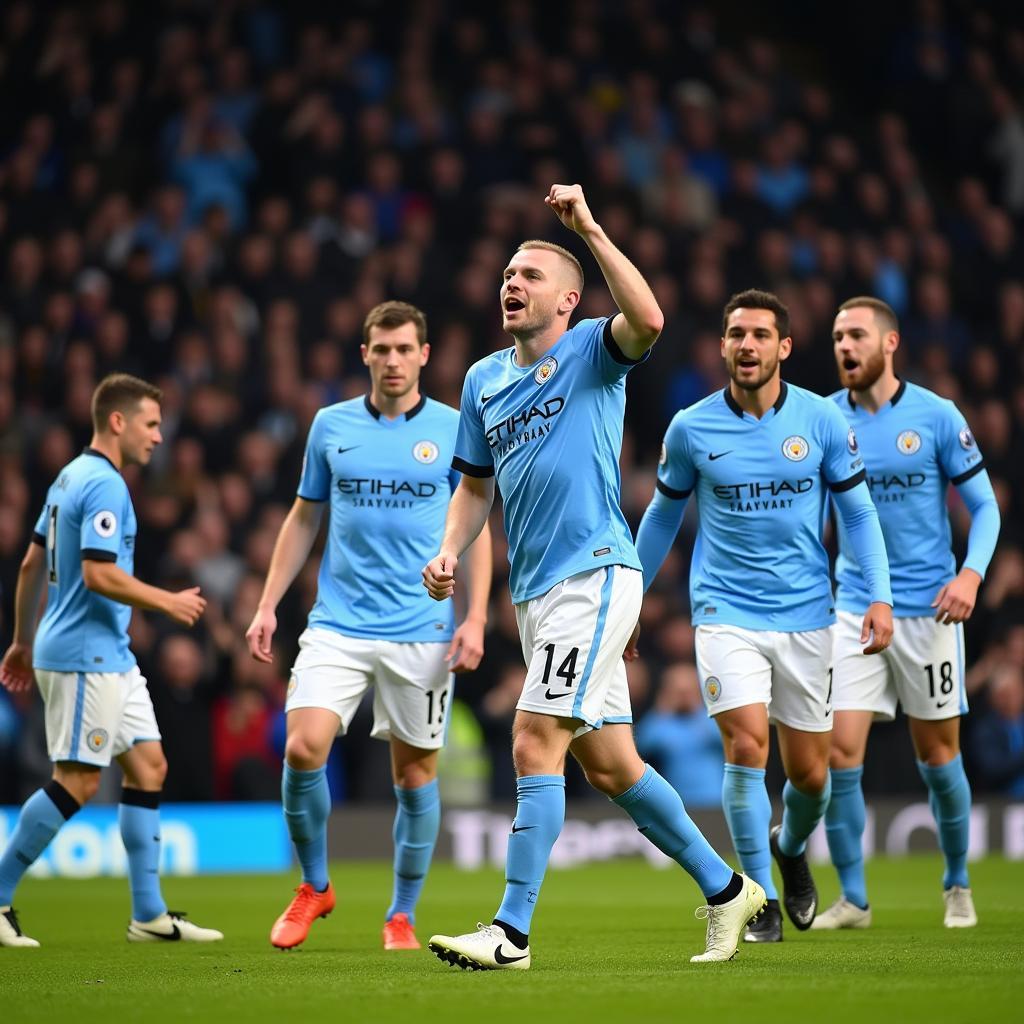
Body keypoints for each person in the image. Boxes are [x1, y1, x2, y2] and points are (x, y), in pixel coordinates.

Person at [422, 184, 766, 971]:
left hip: (596, 573)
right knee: (610, 765)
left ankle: (510, 933)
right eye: (508, 273)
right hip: (537, 595)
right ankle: (726, 890)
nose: (512, 283)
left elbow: (649, 320)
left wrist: (589, 229)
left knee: (532, 738)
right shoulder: (481, 381)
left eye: (530, 275)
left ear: (569, 301)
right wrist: (449, 550)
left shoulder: (589, 355)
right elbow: (474, 487)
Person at [635, 289, 893, 943]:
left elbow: (859, 513)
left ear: (783, 347)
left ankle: (788, 843)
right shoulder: (691, 428)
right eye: (735, 334)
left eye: (759, 335)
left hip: (808, 615)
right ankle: (760, 899)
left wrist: (881, 595)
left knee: (811, 776)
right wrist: (630, 596)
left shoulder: (822, 422)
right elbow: (664, 515)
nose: (746, 345)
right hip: (726, 611)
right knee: (746, 745)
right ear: (722, 346)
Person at [245, 300, 491, 952]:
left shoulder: (454, 428)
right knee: (302, 748)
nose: (392, 360)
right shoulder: (331, 426)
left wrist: (475, 616)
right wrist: (269, 603)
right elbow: (303, 518)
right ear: (365, 355)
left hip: (423, 631)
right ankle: (314, 886)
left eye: (404, 349)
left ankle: (401, 915)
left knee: (414, 777)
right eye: (381, 349)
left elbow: (478, 523)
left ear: (425, 355)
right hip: (339, 625)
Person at [0, 373, 221, 947]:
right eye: (150, 424)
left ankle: (148, 915)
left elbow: (30, 566)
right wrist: (166, 599)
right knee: (75, 781)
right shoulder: (103, 486)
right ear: (117, 422)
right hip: (83, 656)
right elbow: (98, 572)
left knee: (149, 767)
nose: (158, 436)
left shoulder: (67, 476)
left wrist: (23, 640)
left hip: (106, 655)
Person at [815, 297, 1000, 930]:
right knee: (841, 754)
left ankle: (956, 882)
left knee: (938, 758)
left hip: (930, 611)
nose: (844, 346)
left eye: (857, 335)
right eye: (838, 336)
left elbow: (986, 509)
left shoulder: (938, 417)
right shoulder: (822, 420)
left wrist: (971, 574)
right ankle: (855, 899)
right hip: (853, 607)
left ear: (889, 344)